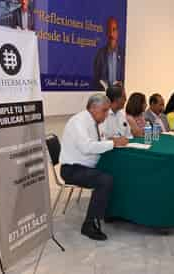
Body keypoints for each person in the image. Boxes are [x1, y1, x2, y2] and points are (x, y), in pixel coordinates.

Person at [60, 94, 129, 241]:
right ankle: (89, 224)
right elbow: (86, 147)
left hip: (88, 164)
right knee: (105, 180)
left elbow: (101, 140)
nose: (106, 115)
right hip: (72, 168)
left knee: (117, 172)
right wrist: (113, 143)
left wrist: (112, 141)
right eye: (104, 111)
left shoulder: (95, 121)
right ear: (92, 108)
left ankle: (112, 213)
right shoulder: (78, 122)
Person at [93, 17, 125, 90]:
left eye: (114, 30)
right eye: (109, 30)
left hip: (118, 95)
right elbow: (96, 78)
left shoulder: (123, 54)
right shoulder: (100, 54)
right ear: (106, 33)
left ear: (117, 32)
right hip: (104, 95)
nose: (111, 34)